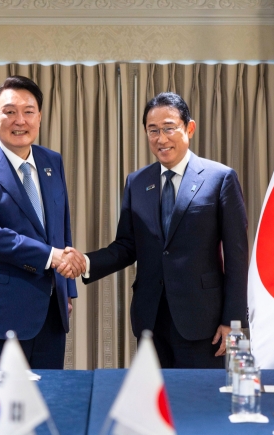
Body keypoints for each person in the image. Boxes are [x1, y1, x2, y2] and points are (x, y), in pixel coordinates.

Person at [62, 92, 248, 368]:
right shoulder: (137, 182)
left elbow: (237, 255)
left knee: (200, 405)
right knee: (155, 405)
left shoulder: (219, 178)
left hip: (204, 322)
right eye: (153, 131)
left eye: (169, 128)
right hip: (151, 320)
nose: (161, 138)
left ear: (189, 128)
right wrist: (85, 262)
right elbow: (126, 246)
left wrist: (232, 320)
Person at [0, 76, 85, 369]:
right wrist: (51, 257)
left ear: (39, 117)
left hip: (50, 312)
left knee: (46, 402)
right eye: (9, 111)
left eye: (28, 111)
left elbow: (60, 227)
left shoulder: (52, 161)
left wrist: (67, 289)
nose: (20, 120)